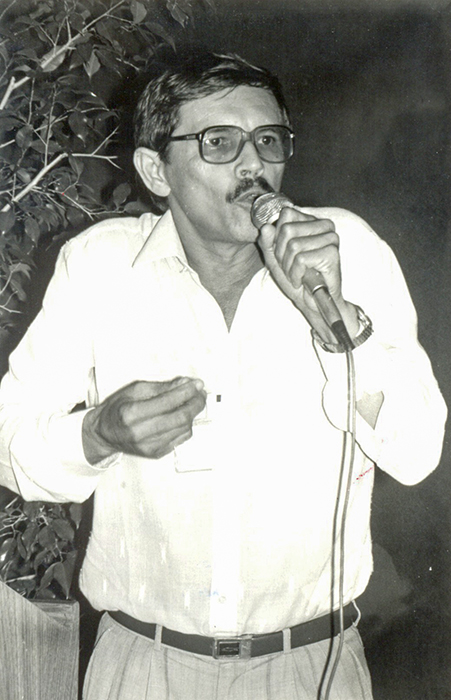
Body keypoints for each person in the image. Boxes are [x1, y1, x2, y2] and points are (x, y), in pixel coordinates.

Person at [0, 50, 446, 700]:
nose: (253, 165)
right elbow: (9, 441)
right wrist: (96, 434)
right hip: (144, 667)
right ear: (156, 170)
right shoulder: (99, 265)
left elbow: (417, 453)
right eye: (219, 142)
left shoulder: (345, 247)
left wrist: (336, 325)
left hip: (312, 668)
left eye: (268, 140)